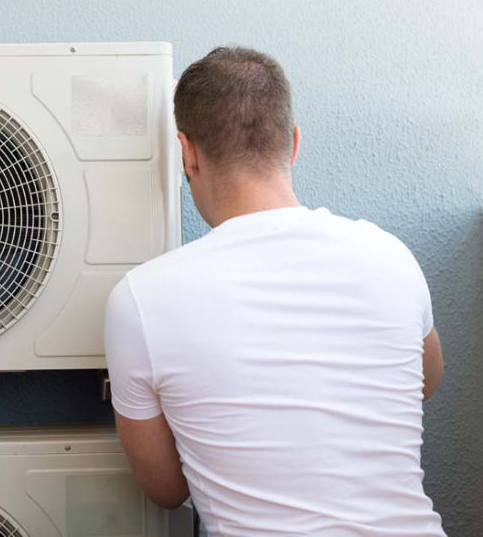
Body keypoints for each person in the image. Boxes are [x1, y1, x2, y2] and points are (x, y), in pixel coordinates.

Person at [104, 46, 445, 536]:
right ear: (294, 143)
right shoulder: (390, 255)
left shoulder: (140, 298)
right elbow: (423, 383)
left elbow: (166, 489)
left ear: (188, 153)